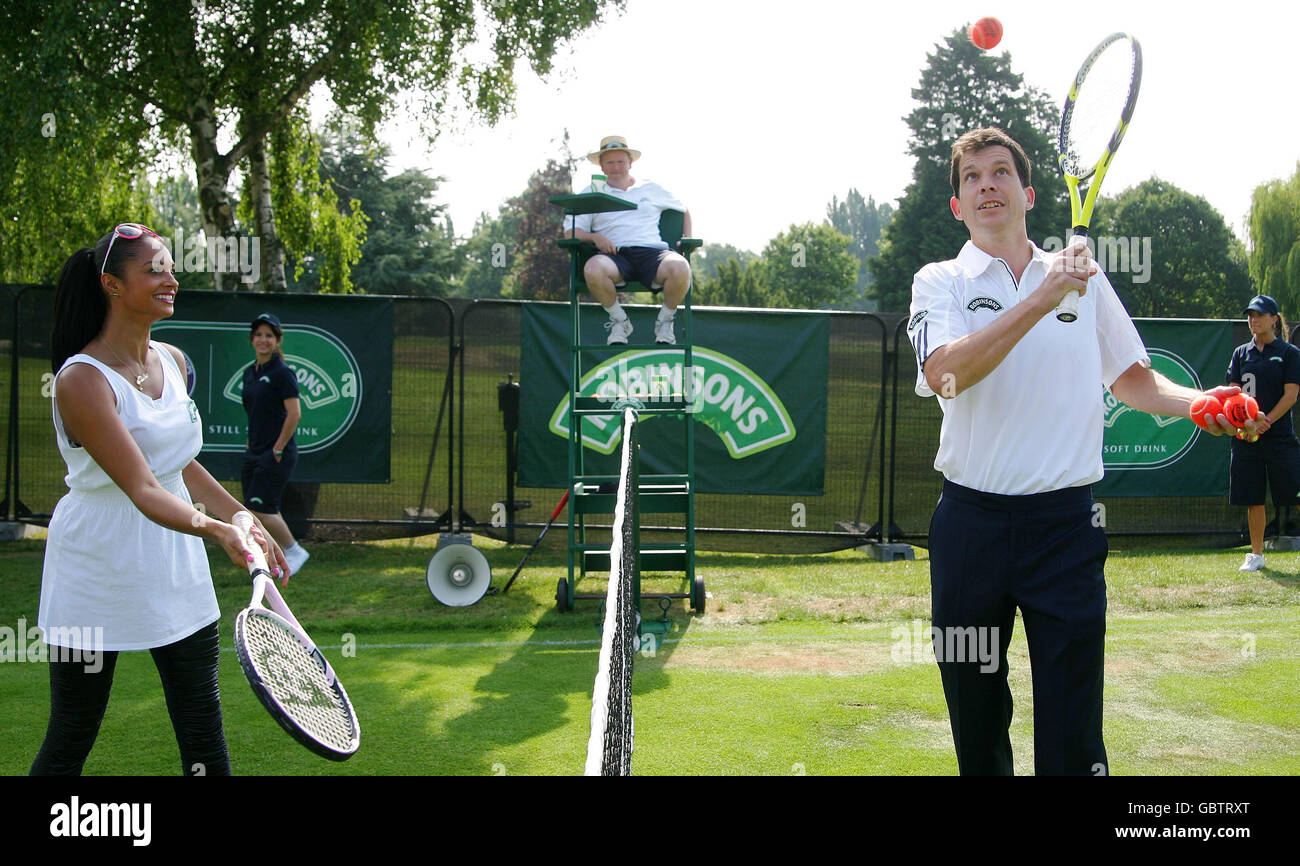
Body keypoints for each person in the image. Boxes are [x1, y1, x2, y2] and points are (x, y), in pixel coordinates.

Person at [906, 128, 1251, 775]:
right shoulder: (939, 281)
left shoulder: (1083, 278)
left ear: (1028, 192)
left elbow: (1133, 379)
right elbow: (945, 373)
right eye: (972, 177)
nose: (987, 185)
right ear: (957, 205)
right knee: (975, 721)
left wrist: (1198, 402)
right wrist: (1041, 299)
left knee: (1072, 736)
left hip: (1065, 530)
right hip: (969, 528)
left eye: (1001, 172)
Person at [34, 223, 289, 776]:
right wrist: (220, 531)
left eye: (171, 267)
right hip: (93, 567)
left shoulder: (172, 360)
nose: (171, 279)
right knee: (71, 735)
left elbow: (176, 464)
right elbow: (142, 486)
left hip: (176, 564)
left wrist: (238, 512)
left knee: (204, 731)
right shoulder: (81, 380)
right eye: (155, 270)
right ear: (111, 284)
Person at [567, 135, 693, 345]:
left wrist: (687, 237)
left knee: (681, 267)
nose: (616, 167)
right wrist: (594, 237)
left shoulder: (650, 187)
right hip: (614, 255)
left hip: (653, 253)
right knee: (592, 269)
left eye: (620, 161)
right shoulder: (591, 192)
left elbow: (684, 209)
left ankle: (665, 320)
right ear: (601, 166)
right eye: (610, 162)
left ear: (630, 163)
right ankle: (619, 320)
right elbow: (571, 233)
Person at [1227, 294, 1300, 571]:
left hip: (1280, 438)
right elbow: (1233, 395)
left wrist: (1265, 421)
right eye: (1250, 315)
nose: (1253, 320)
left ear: (1274, 319)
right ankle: (1256, 555)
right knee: (1253, 497)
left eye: (1259, 315)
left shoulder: (1290, 354)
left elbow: (1291, 395)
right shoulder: (1240, 353)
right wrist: (1246, 425)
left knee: (1296, 493)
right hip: (1246, 438)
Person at [242, 312, 310, 575]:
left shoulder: (282, 373)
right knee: (251, 509)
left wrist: (277, 448)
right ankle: (271, 558)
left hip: (277, 452)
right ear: (252, 339)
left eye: (269, 335)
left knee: (262, 509)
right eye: (258, 335)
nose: (263, 340)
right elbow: (254, 411)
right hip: (254, 451)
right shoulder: (251, 373)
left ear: (277, 341)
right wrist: (251, 445)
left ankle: (294, 551)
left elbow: (295, 414)